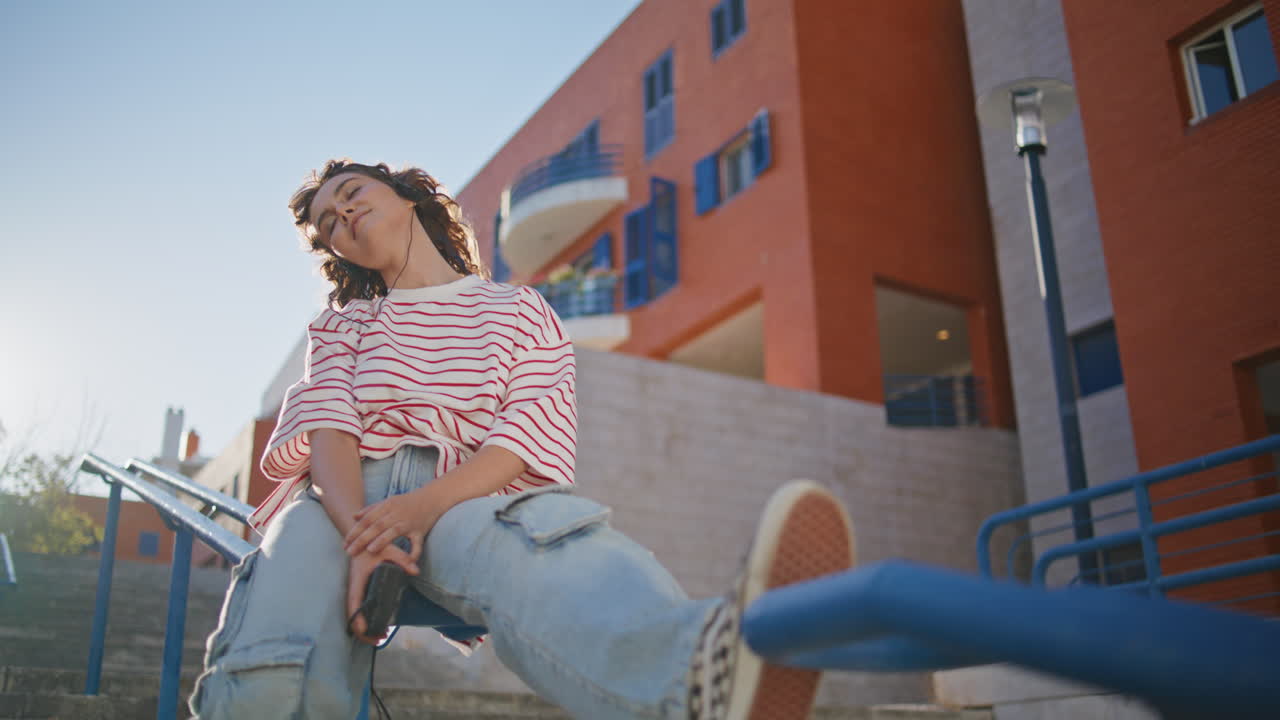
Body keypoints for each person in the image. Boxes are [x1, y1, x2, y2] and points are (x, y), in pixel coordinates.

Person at [188, 159, 856, 720]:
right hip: (343, 502)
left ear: (408, 195)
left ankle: (693, 681)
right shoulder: (343, 326)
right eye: (328, 225)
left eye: (351, 194)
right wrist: (362, 534)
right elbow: (330, 429)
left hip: (459, 496)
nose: (342, 216)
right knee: (278, 627)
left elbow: (520, 438)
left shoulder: (518, 311)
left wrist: (418, 510)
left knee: (546, 543)